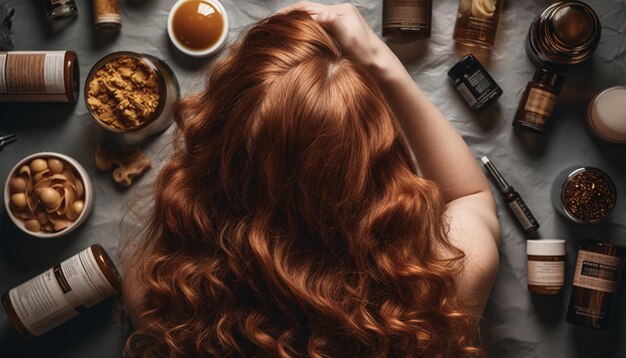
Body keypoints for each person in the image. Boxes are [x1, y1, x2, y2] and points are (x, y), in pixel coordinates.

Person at [122, 2, 500, 356]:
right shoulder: (443, 283)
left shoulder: (158, 293)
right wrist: (382, 61)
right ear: (375, 165)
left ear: (215, 136)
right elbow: (470, 195)